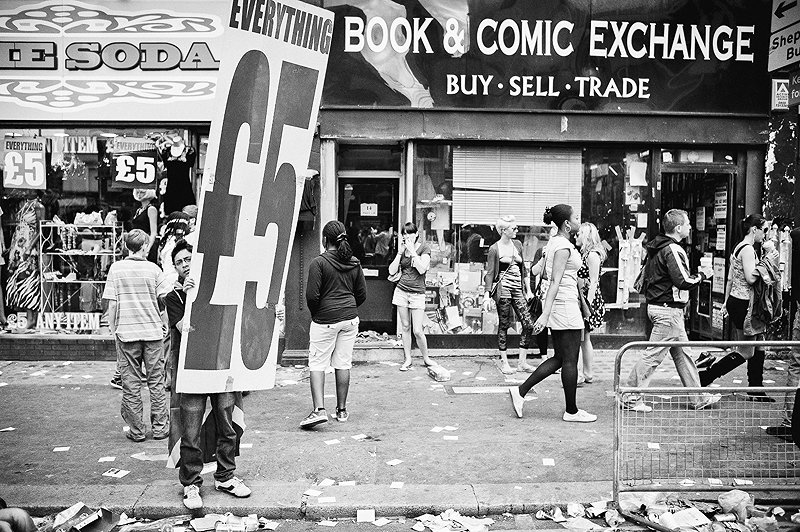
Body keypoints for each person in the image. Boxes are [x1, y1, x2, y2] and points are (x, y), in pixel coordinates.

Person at [165, 240, 251, 509]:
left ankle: (225, 475)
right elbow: (184, 328)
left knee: (227, 425)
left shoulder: (221, 288)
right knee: (190, 432)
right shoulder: (175, 298)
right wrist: (191, 298)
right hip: (192, 372)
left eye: (188, 258)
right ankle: (191, 483)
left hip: (220, 366)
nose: (185, 264)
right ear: (176, 270)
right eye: (179, 262)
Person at [623, 209, 720, 412]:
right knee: (653, 356)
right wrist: (702, 275)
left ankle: (699, 398)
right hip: (668, 311)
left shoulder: (657, 247)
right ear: (678, 228)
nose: (690, 227)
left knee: (683, 355)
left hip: (663, 309)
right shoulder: (673, 249)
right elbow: (683, 281)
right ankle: (630, 397)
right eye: (687, 224)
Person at [509, 205, 597, 423]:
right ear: (567, 224)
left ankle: (521, 392)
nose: (579, 220)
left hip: (563, 305)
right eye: (576, 217)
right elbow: (555, 281)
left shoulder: (554, 243)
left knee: (560, 358)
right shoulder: (563, 246)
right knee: (569, 360)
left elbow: (543, 274)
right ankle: (571, 411)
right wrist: (545, 314)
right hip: (565, 306)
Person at [103, 229, 170, 442]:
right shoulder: (154, 269)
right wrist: (164, 323)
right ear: (144, 247)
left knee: (131, 383)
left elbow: (112, 304)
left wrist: (113, 329)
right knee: (156, 382)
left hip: (127, 333)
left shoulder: (116, 269)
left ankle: (137, 430)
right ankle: (160, 428)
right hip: (152, 332)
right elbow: (165, 300)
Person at [697, 215, 774, 400]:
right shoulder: (747, 249)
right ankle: (707, 376)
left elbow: (731, 278)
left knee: (759, 344)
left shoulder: (738, 246)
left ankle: (756, 388)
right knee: (746, 351)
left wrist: (725, 301)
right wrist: (768, 260)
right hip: (744, 304)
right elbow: (751, 278)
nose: (765, 235)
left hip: (737, 301)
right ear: (754, 229)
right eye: (764, 230)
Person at [301, 220, 367, 428]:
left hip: (325, 320)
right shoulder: (354, 262)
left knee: (317, 364)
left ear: (324, 240)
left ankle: (319, 410)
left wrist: (319, 314)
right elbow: (362, 295)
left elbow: (312, 297)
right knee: (343, 363)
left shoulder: (318, 263)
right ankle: (342, 410)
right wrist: (346, 308)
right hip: (350, 319)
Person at [483, 215, 535, 374]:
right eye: (514, 228)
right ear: (503, 231)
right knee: (504, 325)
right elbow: (490, 273)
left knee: (528, 324)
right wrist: (486, 295)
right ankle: (504, 362)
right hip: (503, 290)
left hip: (517, 289)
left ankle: (522, 363)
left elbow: (524, 269)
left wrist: (529, 290)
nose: (517, 230)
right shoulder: (494, 249)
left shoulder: (518, 244)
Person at [390, 223, 436, 371]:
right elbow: (391, 271)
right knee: (405, 326)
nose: (406, 236)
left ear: (416, 234)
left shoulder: (424, 248)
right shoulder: (403, 250)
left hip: (417, 293)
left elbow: (422, 269)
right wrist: (400, 253)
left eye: (409, 233)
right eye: (404, 233)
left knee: (417, 329)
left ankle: (426, 358)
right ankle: (408, 358)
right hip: (401, 291)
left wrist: (413, 252)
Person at [575, 222, 606, 383]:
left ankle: (583, 373)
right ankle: (587, 373)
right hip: (584, 298)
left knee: (581, 338)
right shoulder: (586, 254)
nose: (576, 236)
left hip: (587, 300)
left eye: (579, 233)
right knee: (584, 338)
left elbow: (594, 282)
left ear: (586, 236)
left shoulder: (592, 255)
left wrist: (588, 305)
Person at [131, 188, 159, 263]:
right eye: (138, 192)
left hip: (146, 244)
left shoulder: (151, 209)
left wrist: (148, 248)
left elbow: (153, 232)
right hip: (137, 244)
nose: (139, 195)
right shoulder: (139, 210)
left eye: (142, 192)